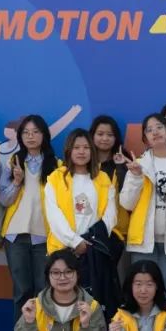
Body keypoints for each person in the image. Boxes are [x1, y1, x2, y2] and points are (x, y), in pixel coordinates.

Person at [44, 129, 120, 315]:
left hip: (93, 251)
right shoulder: (56, 178)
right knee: (64, 303)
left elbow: (110, 215)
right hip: (64, 250)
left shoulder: (102, 178)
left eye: (86, 147)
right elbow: (54, 215)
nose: (81, 151)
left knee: (92, 304)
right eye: (76, 147)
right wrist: (75, 242)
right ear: (68, 150)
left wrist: (89, 241)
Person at [119, 114, 166, 311]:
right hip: (143, 242)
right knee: (143, 295)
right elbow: (126, 203)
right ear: (145, 138)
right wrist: (135, 177)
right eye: (149, 130)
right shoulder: (139, 164)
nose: (155, 132)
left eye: (159, 127)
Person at [0, 115, 59, 320]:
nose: (30, 136)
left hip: (45, 237)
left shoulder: (57, 165)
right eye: (25, 132)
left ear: (44, 135)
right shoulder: (12, 162)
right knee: (21, 291)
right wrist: (16, 182)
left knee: (44, 291)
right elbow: (4, 199)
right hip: (15, 235)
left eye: (35, 132)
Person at [90, 115, 130, 277]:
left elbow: (129, 193)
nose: (105, 139)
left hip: (117, 232)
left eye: (110, 135)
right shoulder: (83, 163)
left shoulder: (125, 162)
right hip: (88, 230)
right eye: (100, 134)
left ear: (116, 138)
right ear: (92, 136)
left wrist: (121, 168)